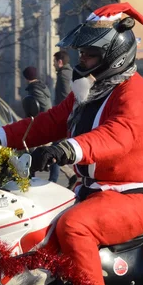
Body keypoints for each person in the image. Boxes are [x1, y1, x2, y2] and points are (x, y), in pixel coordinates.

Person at [0, 3, 143, 285]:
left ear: (113, 54)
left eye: (88, 54)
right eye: (82, 53)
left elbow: (117, 137)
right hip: (97, 191)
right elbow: (48, 122)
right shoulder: (92, 92)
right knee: (37, 221)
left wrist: (66, 149)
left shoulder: (136, 94)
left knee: (74, 225)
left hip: (138, 196)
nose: (80, 61)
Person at [53, 50, 77, 188]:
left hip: (64, 118)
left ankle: (56, 180)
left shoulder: (64, 76)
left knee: (56, 149)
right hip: (67, 118)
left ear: (60, 62)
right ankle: (70, 176)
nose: (53, 64)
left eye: (54, 62)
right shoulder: (69, 73)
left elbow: (65, 98)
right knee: (58, 149)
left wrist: (60, 115)